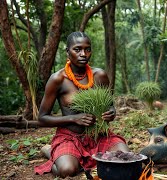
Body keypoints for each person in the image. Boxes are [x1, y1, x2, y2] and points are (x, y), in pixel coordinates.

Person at [34, 32, 129, 178]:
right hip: (70, 137)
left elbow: (111, 106)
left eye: (87, 49)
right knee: (68, 170)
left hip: (100, 136)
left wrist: (111, 113)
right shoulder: (58, 79)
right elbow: (42, 118)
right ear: (67, 52)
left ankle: (63, 154)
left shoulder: (100, 76)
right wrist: (73, 119)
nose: (83, 54)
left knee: (125, 158)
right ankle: (51, 151)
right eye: (77, 49)